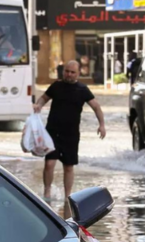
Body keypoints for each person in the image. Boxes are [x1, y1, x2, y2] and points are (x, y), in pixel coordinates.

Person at [33, 60, 107, 213]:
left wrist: (102, 124)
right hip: (52, 131)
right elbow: (43, 98)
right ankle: (47, 191)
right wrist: (38, 105)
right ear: (63, 71)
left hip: (71, 134)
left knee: (68, 167)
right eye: (67, 71)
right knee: (49, 164)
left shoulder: (82, 89)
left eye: (72, 72)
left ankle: (67, 196)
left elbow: (96, 107)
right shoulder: (56, 86)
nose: (69, 74)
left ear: (78, 73)